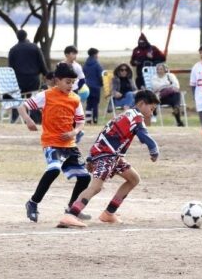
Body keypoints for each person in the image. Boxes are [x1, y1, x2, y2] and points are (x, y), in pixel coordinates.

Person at [67, 90, 160, 224]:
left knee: (133, 179)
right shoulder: (137, 117)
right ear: (141, 104)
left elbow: (103, 133)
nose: (151, 113)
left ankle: (108, 213)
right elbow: (144, 136)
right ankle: (71, 215)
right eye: (151, 109)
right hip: (106, 155)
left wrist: (90, 157)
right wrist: (154, 150)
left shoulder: (126, 114)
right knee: (96, 187)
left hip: (112, 156)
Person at [17, 63, 91, 228]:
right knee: (54, 169)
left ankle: (72, 209)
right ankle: (33, 202)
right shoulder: (47, 95)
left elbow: (80, 121)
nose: (70, 85)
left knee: (85, 177)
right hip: (51, 143)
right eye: (67, 82)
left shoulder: (75, 99)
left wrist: (74, 132)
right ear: (57, 81)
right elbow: (22, 107)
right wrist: (28, 120)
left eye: (73, 82)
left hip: (69, 144)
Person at [8, 29, 49, 123]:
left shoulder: (13, 49)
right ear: (26, 36)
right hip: (33, 80)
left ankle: (16, 118)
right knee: (33, 98)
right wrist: (45, 74)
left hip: (18, 81)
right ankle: (34, 118)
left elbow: (10, 67)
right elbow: (42, 63)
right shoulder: (34, 48)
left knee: (18, 97)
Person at [84, 47, 104, 124]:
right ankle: (95, 119)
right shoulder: (97, 64)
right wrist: (102, 83)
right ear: (95, 54)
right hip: (96, 87)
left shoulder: (85, 64)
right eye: (97, 54)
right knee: (95, 104)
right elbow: (101, 75)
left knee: (89, 104)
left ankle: (88, 120)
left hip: (87, 87)